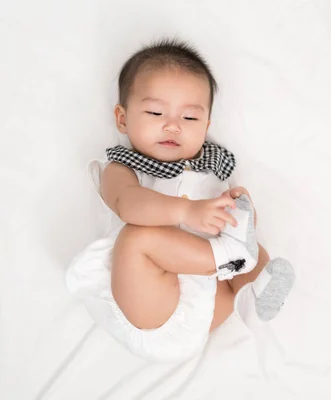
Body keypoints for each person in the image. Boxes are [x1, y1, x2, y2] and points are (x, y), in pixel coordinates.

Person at [65, 38, 295, 362]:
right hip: (150, 310)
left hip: (212, 307)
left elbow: (228, 218)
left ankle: (252, 298)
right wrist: (188, 211)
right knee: (136, 238)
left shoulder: (214, 167)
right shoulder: (122, 167)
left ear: (206, 126)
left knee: (245, 233)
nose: (172, 125)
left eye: (189, 118)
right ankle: (230, 256)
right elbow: (129, 205)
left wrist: (239, 212)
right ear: (122, 118)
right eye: (156, 112)